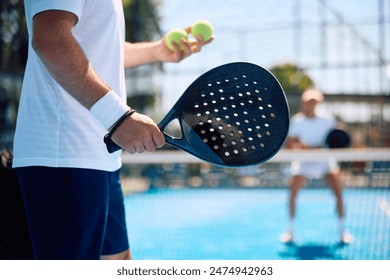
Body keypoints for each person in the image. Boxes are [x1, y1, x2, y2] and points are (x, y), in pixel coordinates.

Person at [13, 0, 213, 260]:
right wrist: (119, 118)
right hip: (64, 155)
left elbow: (101, 49)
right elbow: (50, 37)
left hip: (98, 155)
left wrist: (156, 51)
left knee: (118, 261)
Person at [280, 89, 352, 244]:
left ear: (318, 102)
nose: (311, 104)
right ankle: (290, 230)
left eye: (314, 101)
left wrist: (320, 149)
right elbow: (291, 143)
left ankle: (342, 230)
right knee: (292, 195)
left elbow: (334, 140)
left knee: (339, 193)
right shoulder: (297, 121)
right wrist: (309, 149)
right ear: (303, 103)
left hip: (325, 162)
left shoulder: (327, 120)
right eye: (308, 101)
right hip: (303, 163)